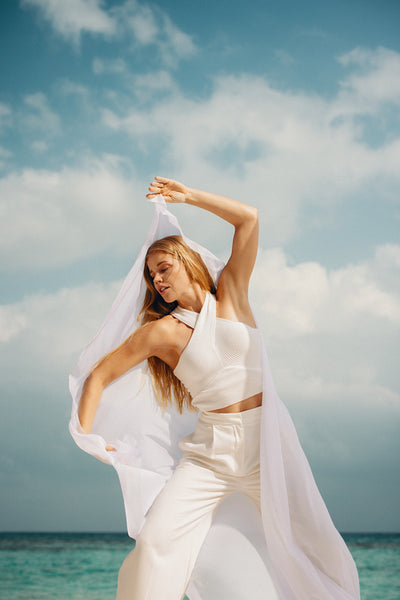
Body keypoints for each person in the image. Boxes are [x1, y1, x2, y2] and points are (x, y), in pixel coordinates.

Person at [70, 177, 360, 600]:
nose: (158, 281)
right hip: (210, 457)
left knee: (312, 544)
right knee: (155, 543)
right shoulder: (161, 332)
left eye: (163, 268)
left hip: (267, 448)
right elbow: (98, 376)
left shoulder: (232, 294)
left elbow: (249, 219)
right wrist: (88, 436)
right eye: (152, 276)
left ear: (186, 260)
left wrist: (189, 198)